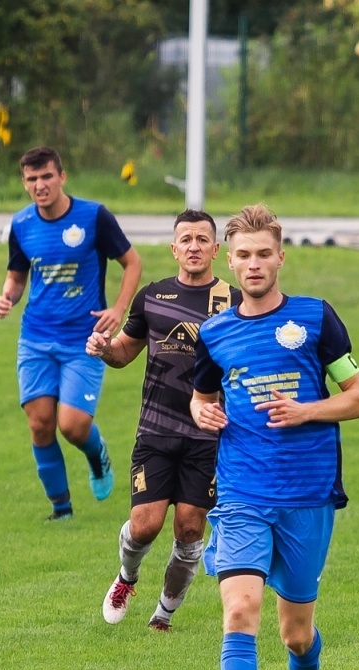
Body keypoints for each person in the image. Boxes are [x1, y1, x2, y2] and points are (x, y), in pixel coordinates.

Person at [188, 205, 359, 670]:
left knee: (296, 634)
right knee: (240, 609)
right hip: (241, 490)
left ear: (280, 258)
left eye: (263, 254)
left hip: (307, 494)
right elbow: (202, 397)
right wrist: (202, 412)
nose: (254, 264)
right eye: (243, 255)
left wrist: (306, 410)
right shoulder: (214, 334)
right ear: (229, 261)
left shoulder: (316, 319)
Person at [87, 209, 236, 631]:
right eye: (186, 239)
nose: (194, 246)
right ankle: (126, 577)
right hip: (156, 431)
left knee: (189, 530)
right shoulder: (152, 297)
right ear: (174, 248)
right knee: (144, 526)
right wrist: (104, 349)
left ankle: (163, 616)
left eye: (202, 239)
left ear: (215, 249)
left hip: (208, 436)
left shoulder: (235, 302)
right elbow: (123, 353)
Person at [0, 145, 142, 520]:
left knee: (73, 427)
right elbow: (17, 276)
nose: (40, 185)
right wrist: (7, 296)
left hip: (84, 340)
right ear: (24, 183)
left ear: (62, 176)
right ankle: (61, 510)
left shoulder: (93, 217)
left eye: (47, 176)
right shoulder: (22, 224)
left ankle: (97, 455)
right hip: (35, 338)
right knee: (40, 424)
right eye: (32, 179)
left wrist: (118, 309)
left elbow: (132, 262)